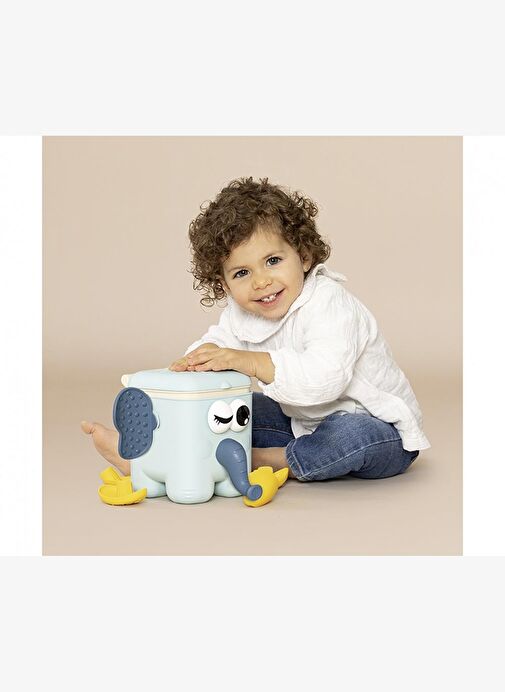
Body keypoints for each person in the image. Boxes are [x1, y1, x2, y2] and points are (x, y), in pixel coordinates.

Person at [82, 176, 430, 482]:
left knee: (348, 435)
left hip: (380, 429)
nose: (261, 282)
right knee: (235, 407)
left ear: (304, 256)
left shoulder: (329, 302)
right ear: (224, 283)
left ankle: (258, 461)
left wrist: (247, 361)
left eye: (273, 261)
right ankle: (152, 456)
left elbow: (325, 380)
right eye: (242, 273)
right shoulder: (244, 312)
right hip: (300, 424)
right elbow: (220, 343)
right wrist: (196, 363)